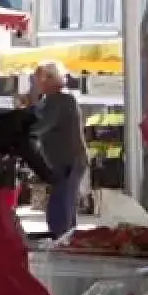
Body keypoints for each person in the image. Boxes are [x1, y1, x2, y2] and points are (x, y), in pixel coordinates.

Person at [33, 61, 87, 236]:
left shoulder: (58, 99)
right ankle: (67, 238)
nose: (36, 83)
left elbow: (42, 125)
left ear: (50, 78)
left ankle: (62, 239)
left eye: (38, 79)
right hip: (67, 160)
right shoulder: (58, 99)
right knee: (64, 203)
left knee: (60, 207)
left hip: (67, 160)